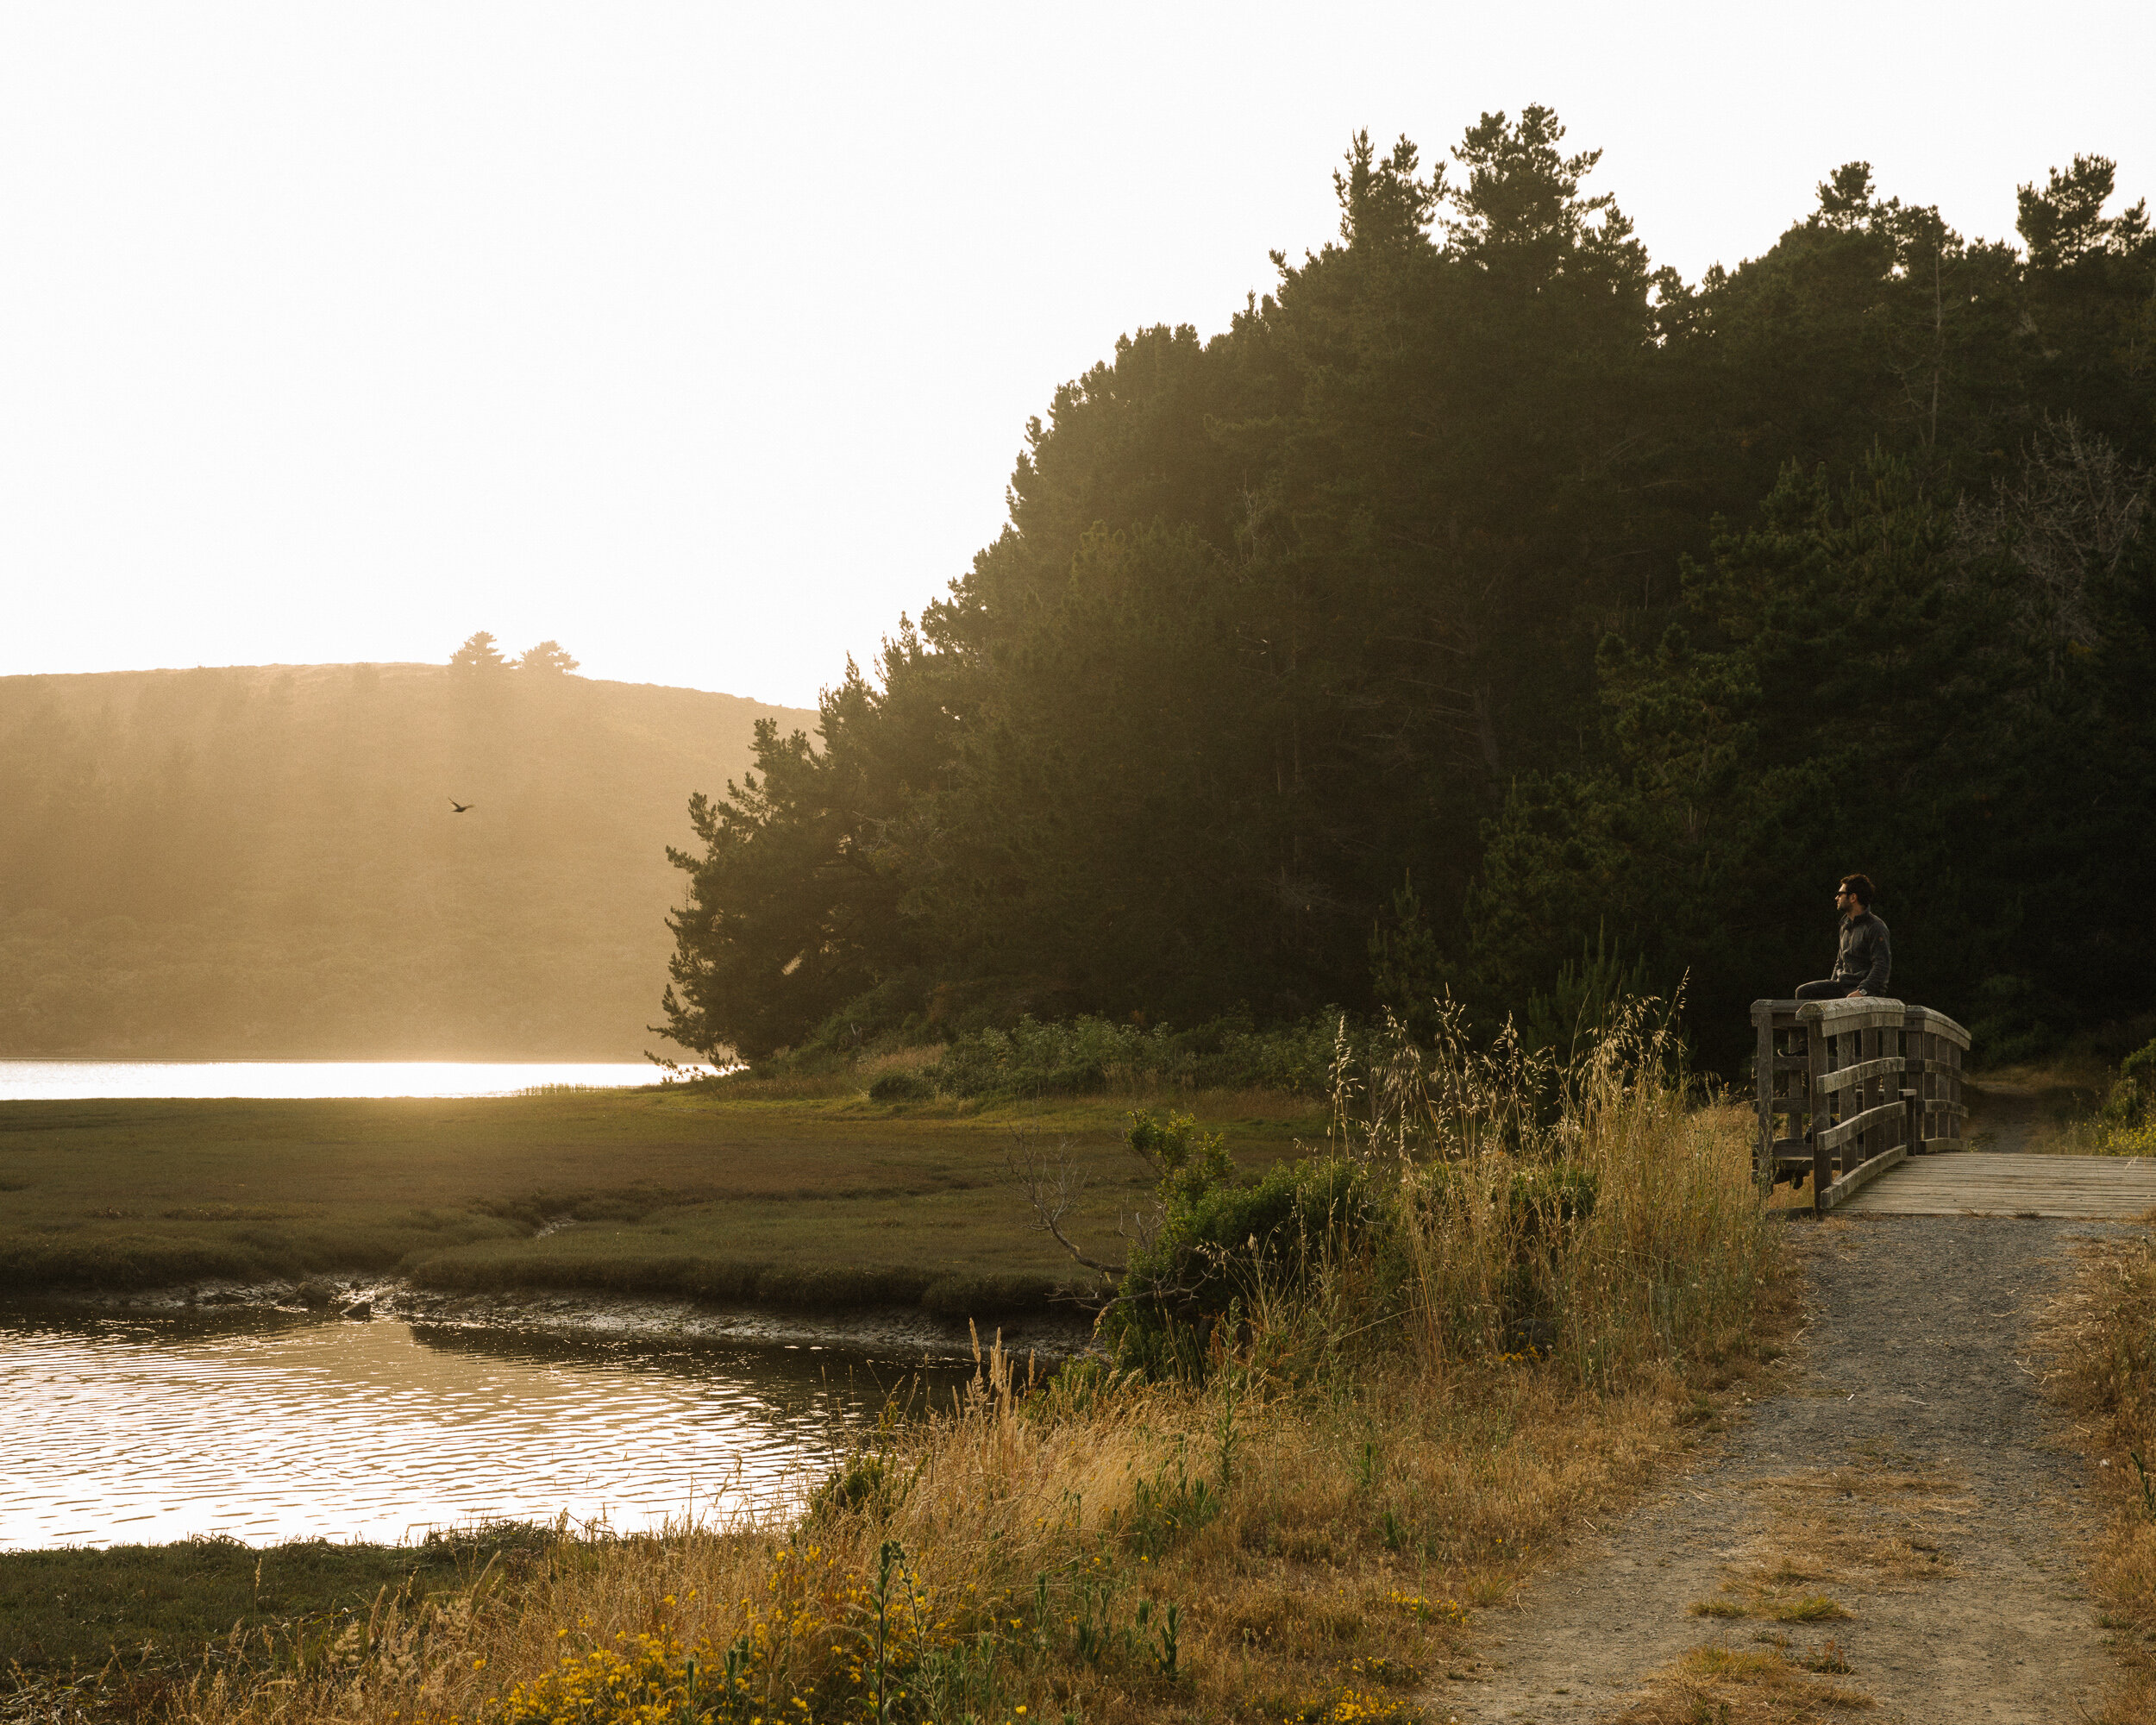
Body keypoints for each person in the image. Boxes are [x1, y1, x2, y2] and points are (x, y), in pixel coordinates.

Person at [1795, 875, 1891, 1000]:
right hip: (1843, 986)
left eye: (1840, 894)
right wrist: (1832, 983)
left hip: (1864, 991)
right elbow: (1840, 962)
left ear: (1853, 897)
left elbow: (1882, 965)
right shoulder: (1844, 925)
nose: (1836, 898)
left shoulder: (1875, 927)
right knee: (1804, 992)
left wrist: (1862, 991)